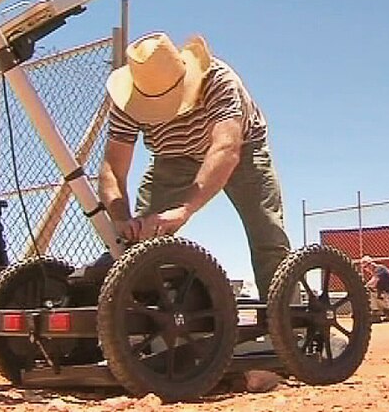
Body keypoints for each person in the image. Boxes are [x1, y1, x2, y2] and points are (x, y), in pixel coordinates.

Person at [98, 31, 290, 300]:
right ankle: (132, 320)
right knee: (139, 242)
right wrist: (120, 218)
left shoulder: (219, 80)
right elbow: (112, 169)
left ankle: (289, 327)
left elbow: (226, 149)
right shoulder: (126, 102)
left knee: (267, 237)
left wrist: (184, 209)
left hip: (243, 148)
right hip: (173, 156)